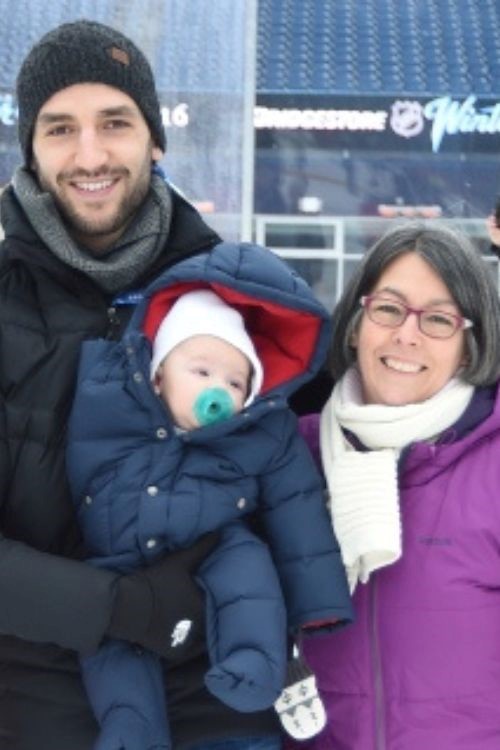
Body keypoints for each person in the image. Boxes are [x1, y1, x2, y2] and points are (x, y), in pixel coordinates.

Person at [0, 18, 340, 750]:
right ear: (30, 147)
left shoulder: (236, 294)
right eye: (60, 129)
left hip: (224, 697)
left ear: (155, 138)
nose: (89, 154)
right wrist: (117, 606)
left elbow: (347, 418)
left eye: (114, 123)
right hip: (37, 709)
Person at [65, 241, 353, 750]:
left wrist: (316, 603)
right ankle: (131, 730)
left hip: (212, 543)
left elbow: (297, 507)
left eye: (236, 381)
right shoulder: (109, 400)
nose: (217, 388)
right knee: (107, 642)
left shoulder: (261, 430)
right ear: (156, 373)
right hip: (117, 561)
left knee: (249, 570)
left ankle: (254, 665)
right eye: (200, 371)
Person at [287, 222, 500, 749]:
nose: (407, 334)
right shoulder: (289, 458)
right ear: (356, 325)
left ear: (469, 349)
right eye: (388, 309)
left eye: (438, 319)